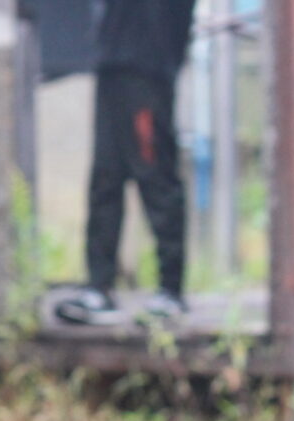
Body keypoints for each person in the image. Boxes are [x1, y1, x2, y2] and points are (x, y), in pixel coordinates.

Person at [56, 0, 198, 325]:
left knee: (157, 180)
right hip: (112, 66)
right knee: (105, 179)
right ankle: (99, 288)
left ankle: (171, 291)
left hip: (148, 70)